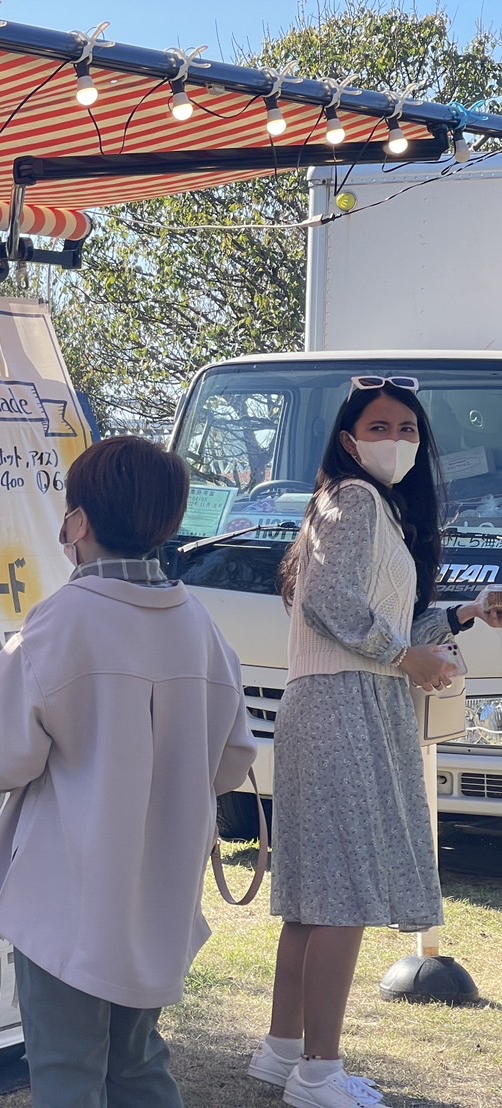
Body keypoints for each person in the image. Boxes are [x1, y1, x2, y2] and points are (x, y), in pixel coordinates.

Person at [0, 435, 257, 1108]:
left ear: (80, 522)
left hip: (65, 887)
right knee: (136, 1064)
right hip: (160, 885)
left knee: (67, 1070)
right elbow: (233, 758)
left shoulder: (62, 619)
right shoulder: (199, 623)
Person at [250, 376, 502, 1108]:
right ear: (347, 436)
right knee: (341, 895)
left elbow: (379, 624)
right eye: (380, 426)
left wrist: (464, 614)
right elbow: (334, 608)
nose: (395, 440)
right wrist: (403, 659)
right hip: (342, 707)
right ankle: (317, 1075)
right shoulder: (354, 501)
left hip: (342, 701)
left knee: (317, 896)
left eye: (406, 429)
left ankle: (283, 1051)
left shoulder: (365, 509)